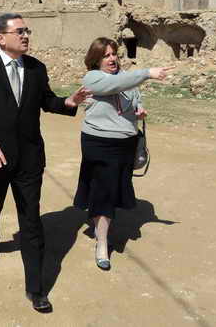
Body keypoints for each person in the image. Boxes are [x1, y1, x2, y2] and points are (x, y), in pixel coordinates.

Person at [0, 13, 90, 313]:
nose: (25, 35)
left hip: (29, 159)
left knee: (31, 221)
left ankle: (36, 289)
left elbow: (46, 100)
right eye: (19, 31)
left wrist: (68, 102)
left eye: (26, 31)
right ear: (0, 37)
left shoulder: (36, 68)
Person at [74, 37, 173, 271]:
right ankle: (102, 244)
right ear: (96, 59)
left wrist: (139, 110)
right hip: (99, 142)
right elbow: (114, 86)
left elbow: (134, 98)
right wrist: (147, 73)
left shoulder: (127, 78)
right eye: (106, 55)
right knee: (104, 192)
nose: (112, 59)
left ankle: (100, 223)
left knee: (113, 189)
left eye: (114, 54)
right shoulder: (92, 78)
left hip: (125, 144)